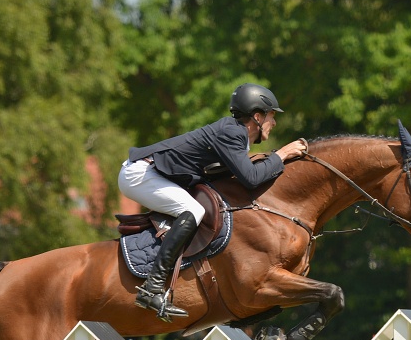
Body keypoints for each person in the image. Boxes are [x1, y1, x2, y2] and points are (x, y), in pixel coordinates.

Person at [119, 83, 308, 321]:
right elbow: (251, 178)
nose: (275, 122)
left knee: (196, 209)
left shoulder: (234, 135)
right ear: (257, 117)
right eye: (272, 116)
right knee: (193, 210)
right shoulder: (232, 133)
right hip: (140, 174)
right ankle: (152, 287)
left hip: (153, 173)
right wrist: (281, 154)